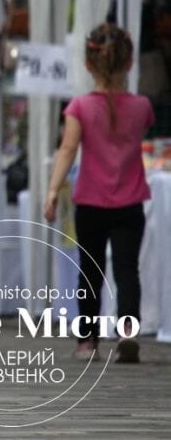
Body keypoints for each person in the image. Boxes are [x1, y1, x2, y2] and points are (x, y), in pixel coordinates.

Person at [44, 23, 154, 364]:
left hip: (90, 201)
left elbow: (67, 149)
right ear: (130, 64)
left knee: (89, 271)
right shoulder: (142, 107)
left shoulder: (79, 107)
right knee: (126, 269)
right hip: (131, 201)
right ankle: (128, 331)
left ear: (88, 65)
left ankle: (87, 340)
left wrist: (51, 190)